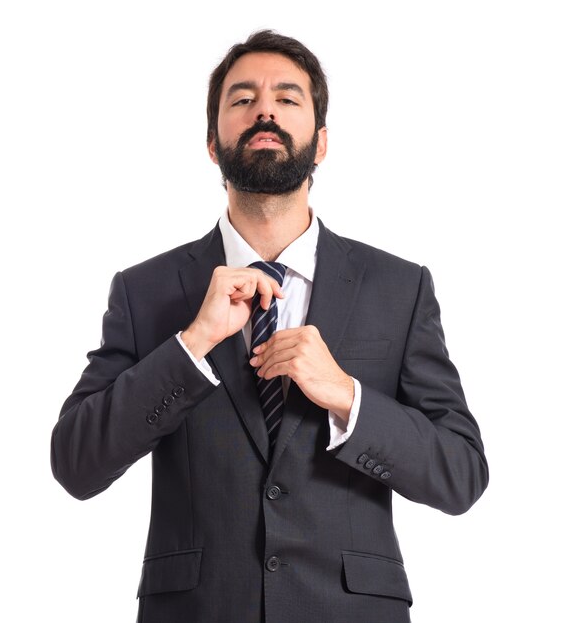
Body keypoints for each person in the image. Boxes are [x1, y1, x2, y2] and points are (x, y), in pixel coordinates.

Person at [51, 30, 488, 623]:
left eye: (287, 98)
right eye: (242, 99)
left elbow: (461, 473)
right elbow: (76, 464)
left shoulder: (399, 287)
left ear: (322, 141)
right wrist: (191, 344)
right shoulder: (145, 292)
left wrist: (347, 398)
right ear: (212, 142)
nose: (265, 110)